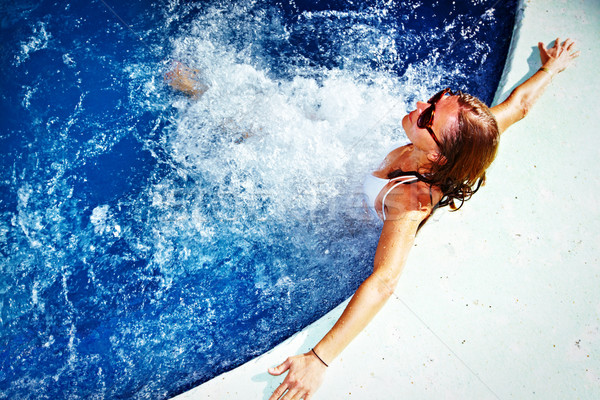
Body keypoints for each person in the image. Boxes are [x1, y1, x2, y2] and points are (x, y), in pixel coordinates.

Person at [165, 38, 578, 400]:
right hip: (350, 175)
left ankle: (200, 100)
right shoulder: (464, 139)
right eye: (434, 100)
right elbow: (517, 107)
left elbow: (385, 281)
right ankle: (205, 93)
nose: (420, 105)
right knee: (282, 130)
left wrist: (320, 359)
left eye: (428, 116)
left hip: (343, 220)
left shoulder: (410, 198)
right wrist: (550, 68)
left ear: (436, 155)